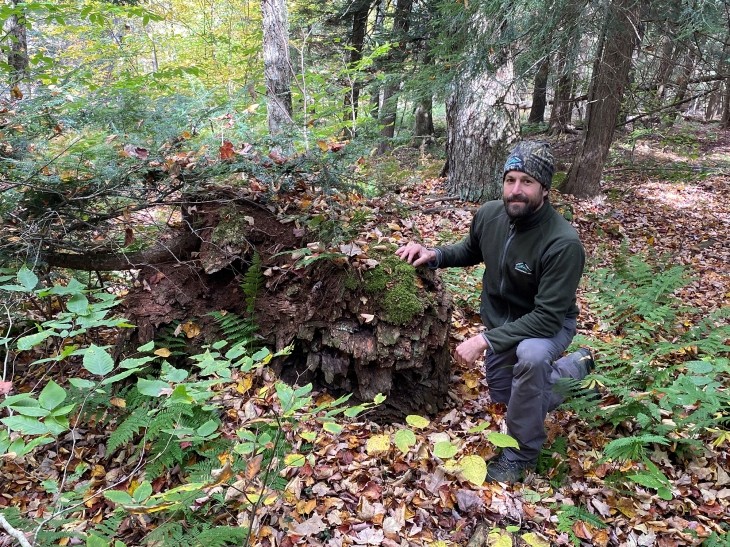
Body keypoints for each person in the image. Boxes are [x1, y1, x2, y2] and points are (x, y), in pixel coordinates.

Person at [395, 141, 594, 483]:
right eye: (510, 180)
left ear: (544, 188)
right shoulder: (490, 214)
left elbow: (547, 317)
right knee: (511, 399)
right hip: (503, 321)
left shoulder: (562, 243)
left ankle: (521, 456)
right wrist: (434, 254)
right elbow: (471, 249)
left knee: (530, 359)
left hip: (547, 326)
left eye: (527, 182)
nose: (516, 190)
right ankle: (573, 372)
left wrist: (484, 340)